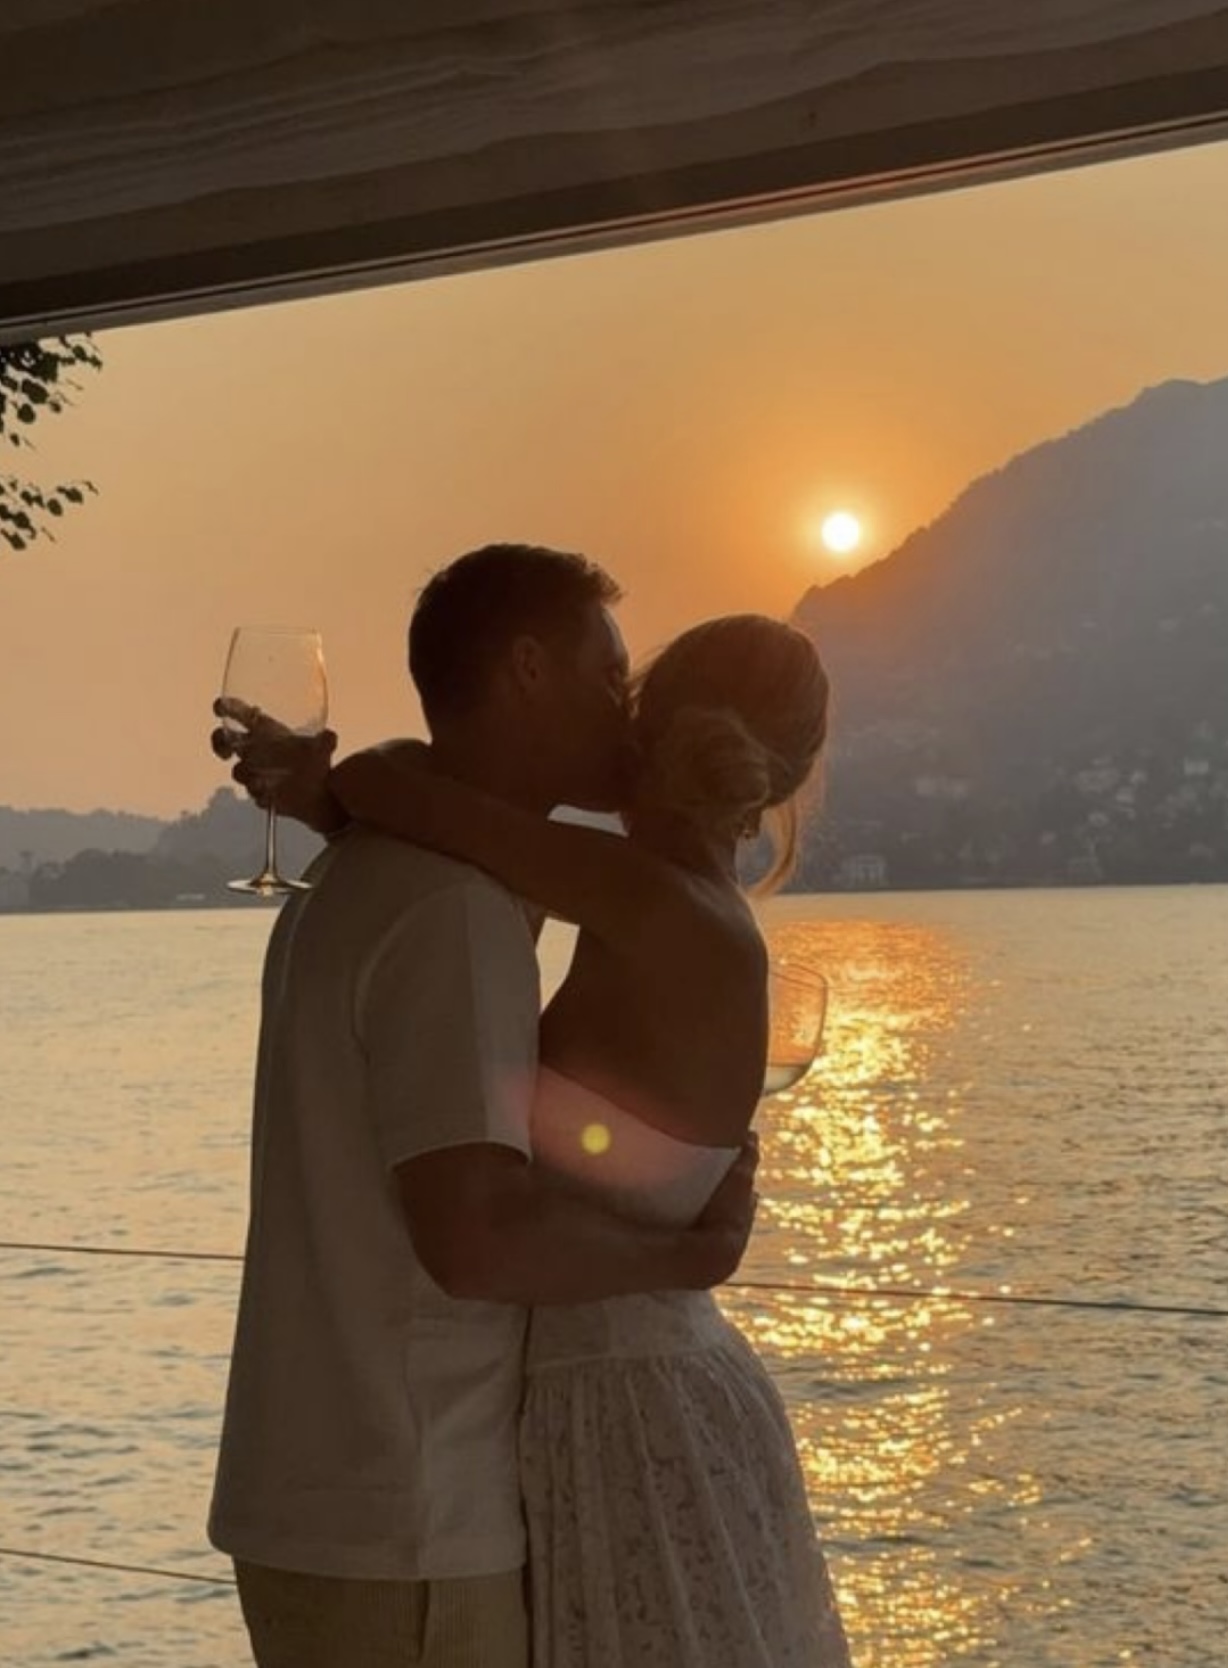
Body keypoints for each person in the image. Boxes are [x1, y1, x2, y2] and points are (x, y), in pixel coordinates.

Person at [247, 606, 853, 1665]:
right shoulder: (674, 907)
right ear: (785, 780)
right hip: (642, 1399)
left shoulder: (639, 895)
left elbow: (392, 784)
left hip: (629, 1418)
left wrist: (329, 795)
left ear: (640, 728)